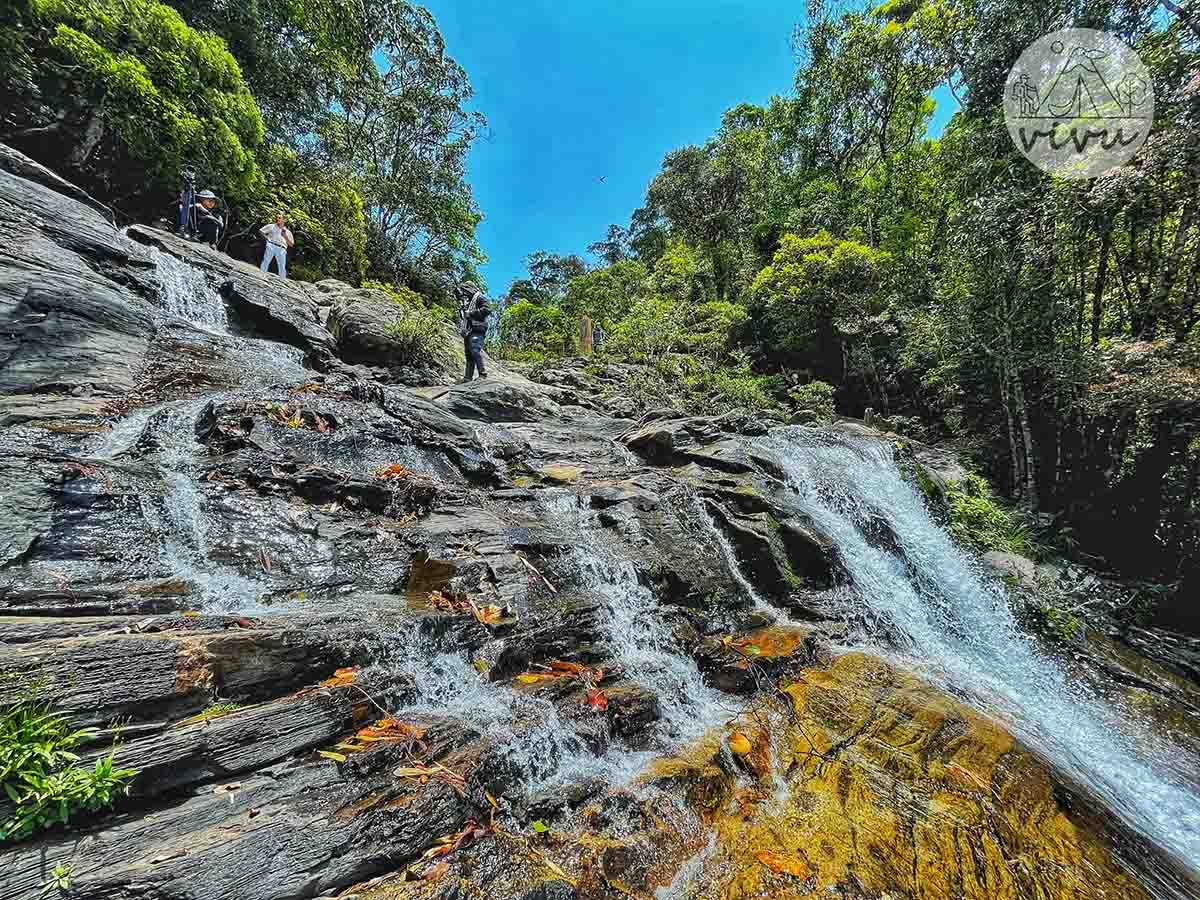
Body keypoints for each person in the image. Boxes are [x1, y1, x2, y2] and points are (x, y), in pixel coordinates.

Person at [456, 282, 490, 383]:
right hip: (468, 330)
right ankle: (467, 377)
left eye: (465, 291)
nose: (464, 294)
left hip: (478, 329)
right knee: (468, 354)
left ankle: (482, 374)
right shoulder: (468, 302)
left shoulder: (480, 298)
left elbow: (487, 309)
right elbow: (464, 316)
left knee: (475, 350)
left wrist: (471, 313)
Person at [259, 213, 294, 278]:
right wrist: (267, 238)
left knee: (281, 266)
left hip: (282, 248)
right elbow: (261, 231)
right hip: (271, 245)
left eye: (279, 218)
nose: (277, 219)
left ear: (284, 220)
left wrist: (285, 237)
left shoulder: (288, 232)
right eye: (276, 217)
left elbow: (291, 244)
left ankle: (283, 281)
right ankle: (261, 276)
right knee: (266, 261)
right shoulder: (271, 226)